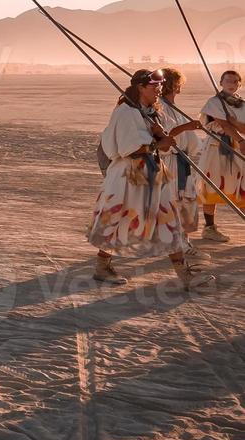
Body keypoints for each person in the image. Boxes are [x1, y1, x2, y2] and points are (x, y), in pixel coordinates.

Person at [87, 69, 207, 289]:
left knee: (168, 219)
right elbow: (126, 148)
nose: (159, 90)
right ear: (141, 87)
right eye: (154, 87)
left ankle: (184, 275)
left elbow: (160, 136)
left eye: (160, 86)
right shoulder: (126, 112)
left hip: (152, 172)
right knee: (118, 220)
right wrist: (156, 144)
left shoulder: (148, 111)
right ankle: (102, 267)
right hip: (128, 176)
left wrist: (159, 134)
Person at [198, 69, 245, 244]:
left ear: (239, 84)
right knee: (212, 184)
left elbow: (241, 127)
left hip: (237, 146)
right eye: (228, 81)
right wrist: (239, 138)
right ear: (221, 82)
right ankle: (209, 228)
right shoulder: (214, 102)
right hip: (216, 146)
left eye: (235, 81)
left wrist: (235, 125)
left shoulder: (241, 104)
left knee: (242, 183)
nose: (232, 84)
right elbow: (223, 124)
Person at [160, 68, 204, 238]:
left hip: (182, 159)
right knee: (174, 200)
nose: (180, 87)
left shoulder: (172, 107)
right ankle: (175, 241)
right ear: (172, 85)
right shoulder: (161, 107)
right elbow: (164, 134)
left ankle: (183, 240)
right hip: (170, 160)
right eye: (178, 83)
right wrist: (187, 126)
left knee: (186, 200)